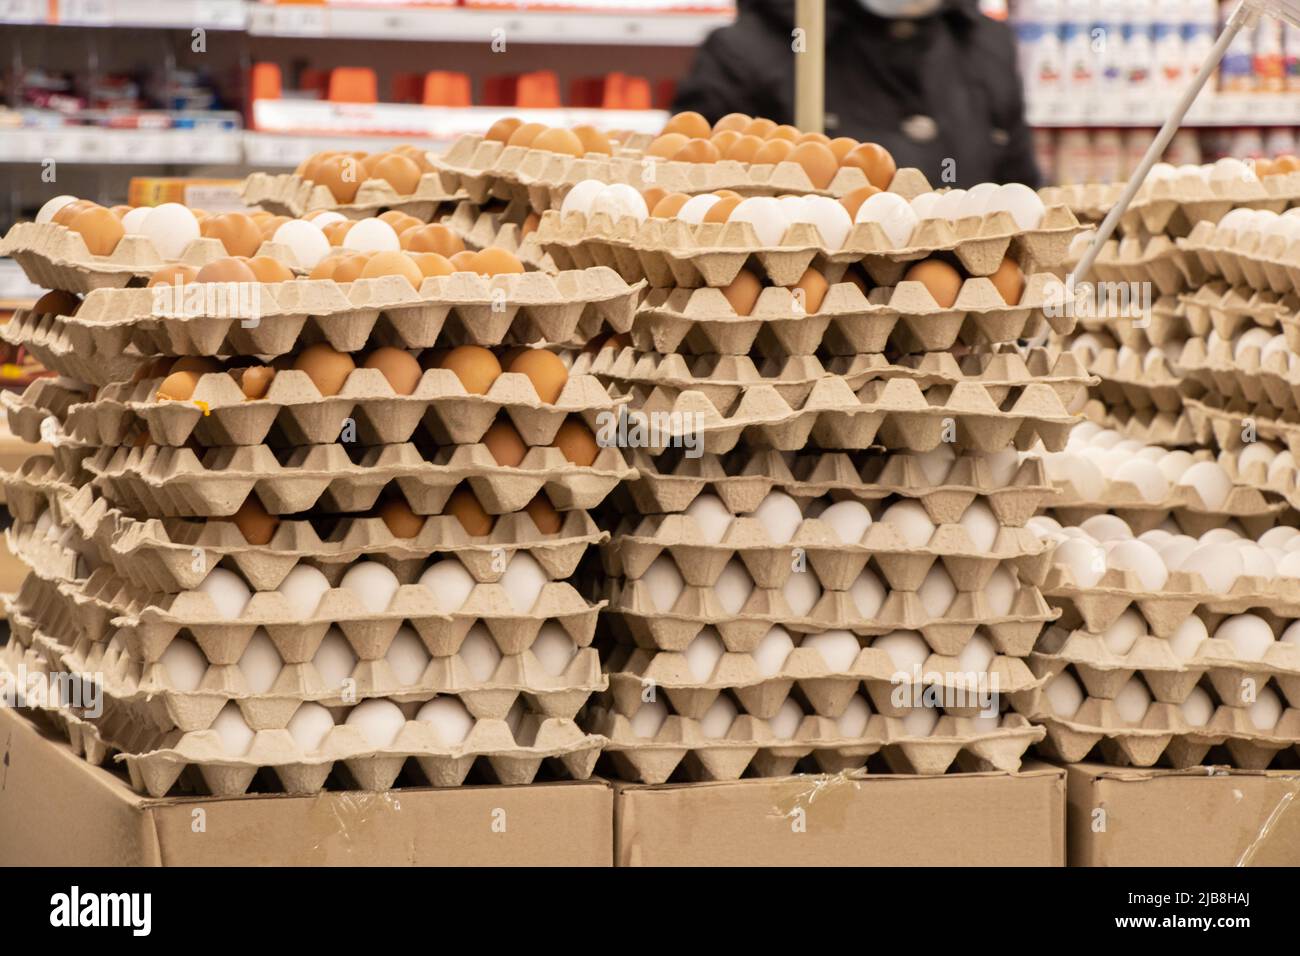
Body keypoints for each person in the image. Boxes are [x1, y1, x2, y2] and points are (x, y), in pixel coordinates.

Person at [672, 0, 1040, 188]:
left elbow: (1020, 194)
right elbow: (691, 210)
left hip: (967, 329)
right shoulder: (750, 53)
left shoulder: (983, 47)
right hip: (805, 328)